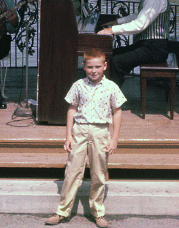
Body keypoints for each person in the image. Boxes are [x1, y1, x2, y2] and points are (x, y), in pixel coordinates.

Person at [45, 48, 126, 228]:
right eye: (90, 67)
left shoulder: (111, 87)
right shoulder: (78, 85)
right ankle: (63, 211)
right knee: (72, 171)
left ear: (105, 66)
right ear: (84, 66)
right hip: (80, 130)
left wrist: (114, 139)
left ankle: (97, 212)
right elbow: (72, 109)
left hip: (101, 131)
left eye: (98, 66)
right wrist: (68, 136)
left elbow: (117, 112)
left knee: (98, 172)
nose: (94, 70)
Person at [97, 0, 170, 88]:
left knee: (116, 61)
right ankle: (108, 95)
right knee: (113, 54)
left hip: (154, 49)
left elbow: (140, 24)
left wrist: (112, 30)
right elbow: (140, 16)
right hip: (148, 45)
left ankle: (112, 100)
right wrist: (117, 22)